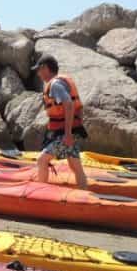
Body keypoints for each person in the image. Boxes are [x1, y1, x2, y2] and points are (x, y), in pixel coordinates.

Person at [33, 54, 88, 189]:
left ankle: (40, 193)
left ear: (45, 68)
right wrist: (74, 128)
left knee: (42, 160)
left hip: (67, 133)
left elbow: (68, 104)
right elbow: (78, 108)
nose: (38, 74)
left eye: (38, 70)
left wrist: (68, 134)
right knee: (75, 165)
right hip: (71, 131)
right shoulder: (62, 82)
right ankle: (84, 192)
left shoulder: (55, 85)